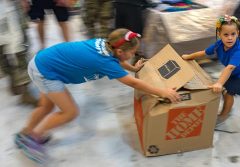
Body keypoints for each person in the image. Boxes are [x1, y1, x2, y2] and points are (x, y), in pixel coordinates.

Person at [14, 28, 181, 163]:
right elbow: (133, 83)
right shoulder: (105, 61)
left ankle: (25, 134)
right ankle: (33, 139)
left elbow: (118, 61)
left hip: (42, 61)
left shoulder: (107, 45)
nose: (133, 55)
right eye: (133, 52)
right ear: (121, 50)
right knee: (70, 112)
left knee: (46, 106)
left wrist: (135, 69)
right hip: (45, 72)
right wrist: (162, 91)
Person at [182, 15, 240, 126]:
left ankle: (224, 116)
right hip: (235, 71)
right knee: (225, 88)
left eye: (233, 34)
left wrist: (219, 83)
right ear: (219, 35)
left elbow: (230, 67)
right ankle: (227, 106)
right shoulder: (219, 45)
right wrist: (190, 57)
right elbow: (204, 52)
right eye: (226, 34)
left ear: (238, 33)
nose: (230, 38)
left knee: (228, 92)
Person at [0, 0, 37, 105]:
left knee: (18, 48)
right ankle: (15, 81)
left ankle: (24, 90)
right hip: (8, 9)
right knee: (8, 49)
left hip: (10, 7)